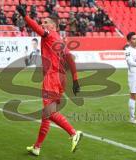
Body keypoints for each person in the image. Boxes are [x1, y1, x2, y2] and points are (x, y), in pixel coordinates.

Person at [16, 5, 82, 156]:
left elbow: (38, 29)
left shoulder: (50, 34)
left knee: (49, 112)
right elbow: (70, 59)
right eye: (43, 22)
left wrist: (25, 16)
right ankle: (37, 147)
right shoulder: (60, 40)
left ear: (53, 26)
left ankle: (73, 133)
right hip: (60, 79)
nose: (43, 24)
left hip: (52, 78)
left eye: (46, 22)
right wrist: (76, 79)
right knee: (47, 115)